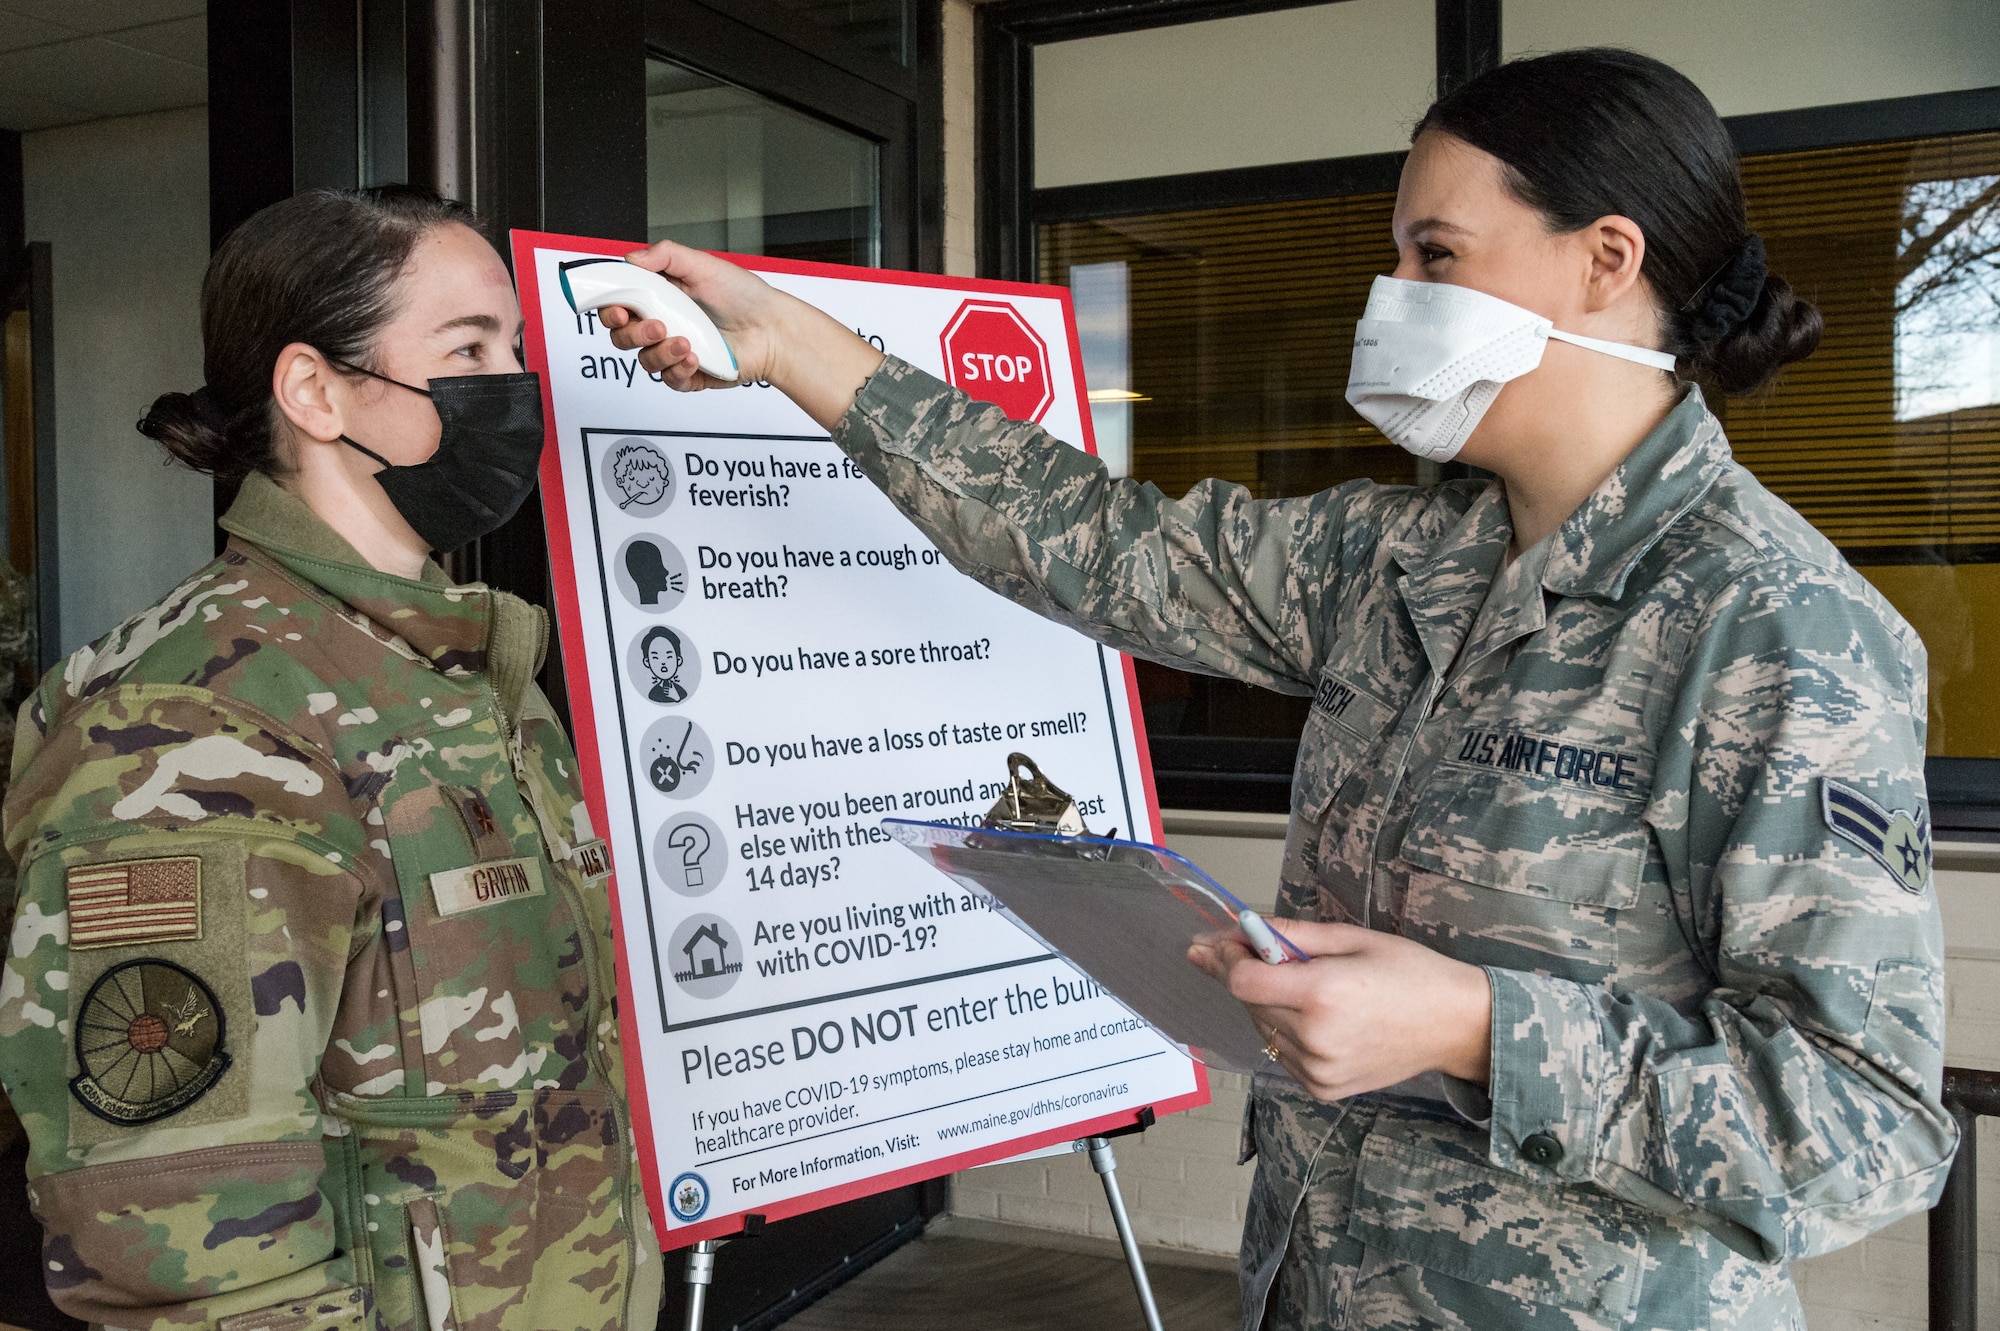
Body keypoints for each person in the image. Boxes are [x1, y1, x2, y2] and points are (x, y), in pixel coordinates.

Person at [606, 48, 1953, 1331]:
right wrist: (797, 347)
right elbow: (1096, 542)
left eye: (1438, 254)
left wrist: (1482, 1027)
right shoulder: (1399, 558)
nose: (1396, 292)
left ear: (1606, 259)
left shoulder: (1775, 626)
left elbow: (1865, 1126)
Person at [0, 186, 662, 1330]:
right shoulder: (190, 719)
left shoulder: (466, 666)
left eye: (511, 346)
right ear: (314, 391)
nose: (513, 386)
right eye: (468, 348)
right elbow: (187, 1231)